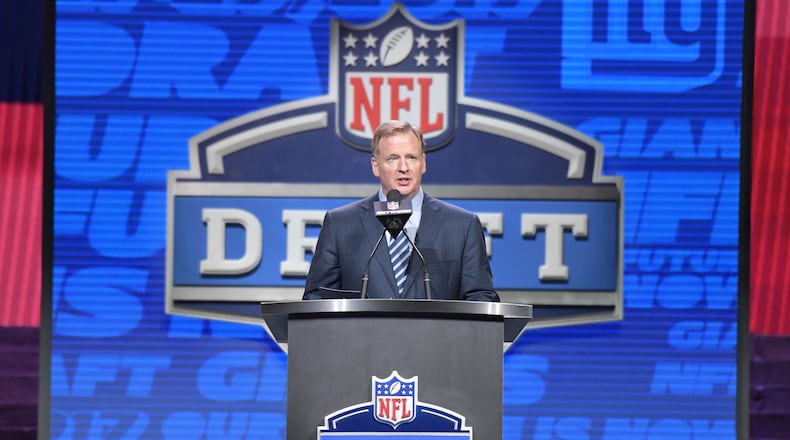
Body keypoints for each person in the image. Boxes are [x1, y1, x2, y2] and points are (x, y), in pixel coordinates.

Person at [303, 120, 499, 302]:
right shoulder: (340, 224)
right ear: (375, 166)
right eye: (393, 158)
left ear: (423, 163)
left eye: (411, 157)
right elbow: (316, 298)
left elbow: (480, 298)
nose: (403, 167)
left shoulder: (462, 227)